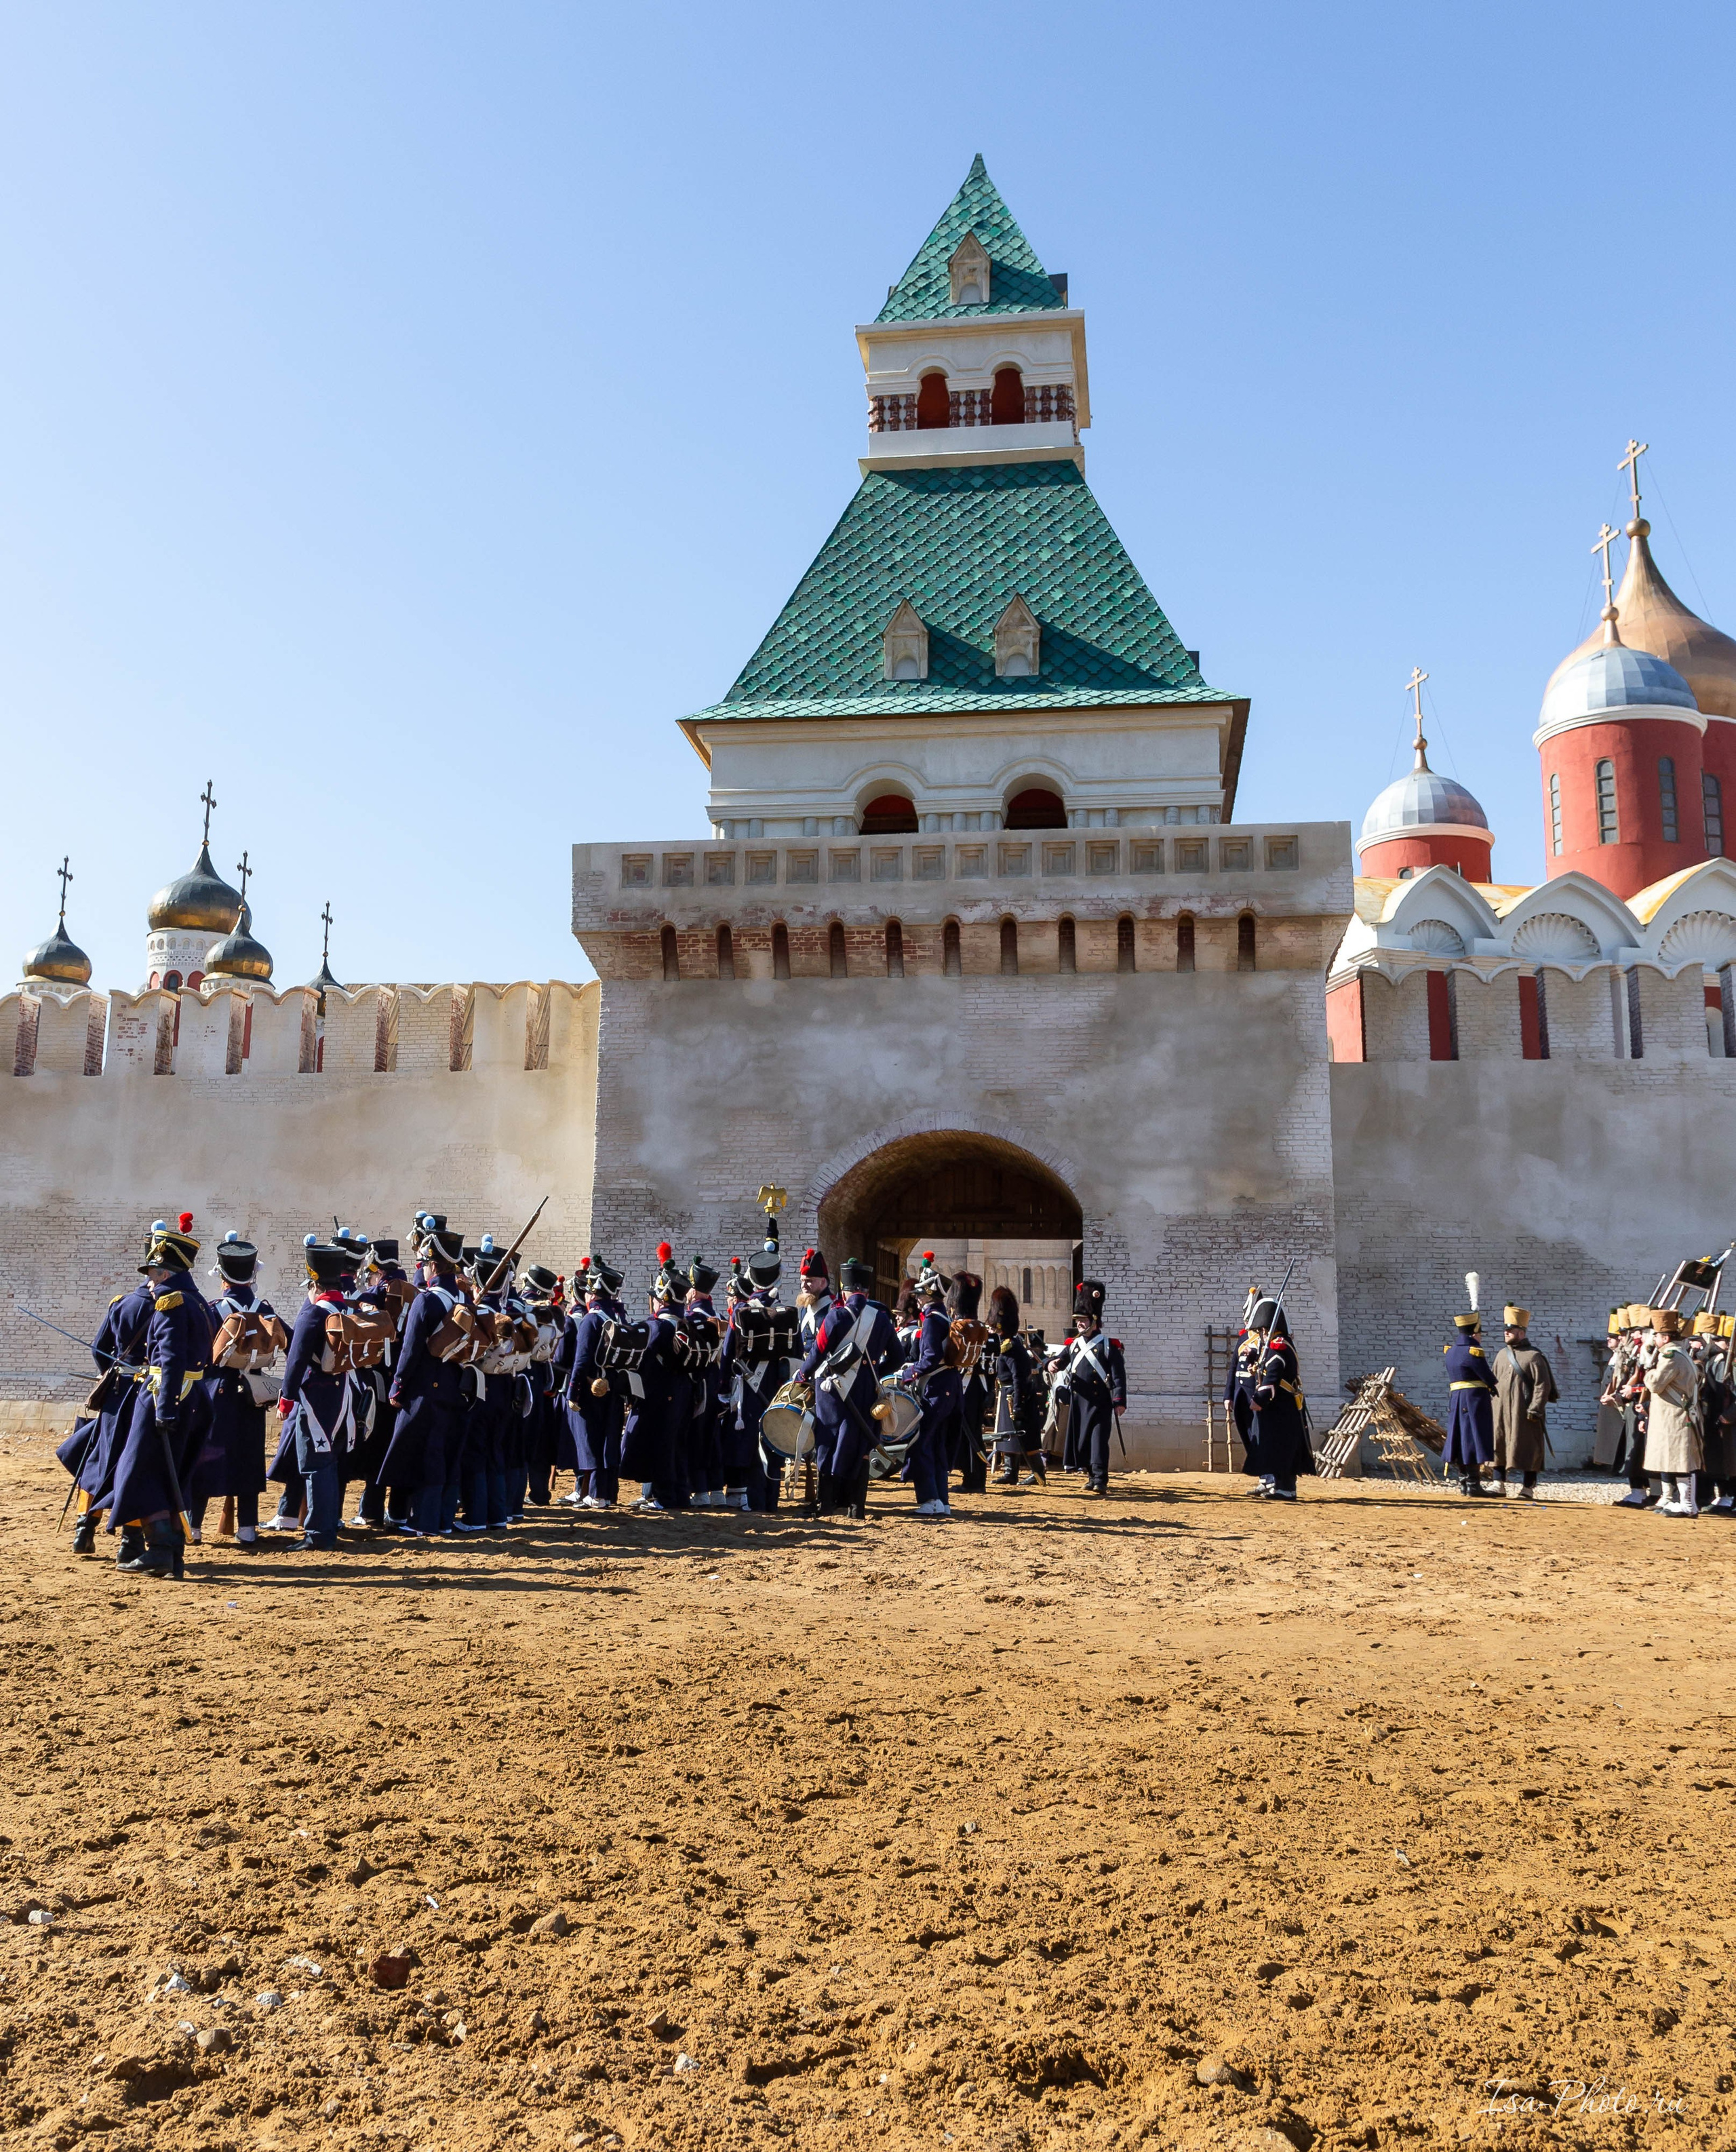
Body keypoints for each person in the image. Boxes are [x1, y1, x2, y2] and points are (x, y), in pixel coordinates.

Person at [106, 1214, 216, 1577]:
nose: (149, 1282)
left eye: (153, 1274)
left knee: (139, 1473)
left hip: (163, 1396)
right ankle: (174, 1555)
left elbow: (170, 1360)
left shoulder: (171, 1302)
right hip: (194, 1394)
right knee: (173, 1475)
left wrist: (165, 1407)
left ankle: (160, 1549)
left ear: (165, 1274)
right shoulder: (198, 1301)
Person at [62, 1241, 157, 1561]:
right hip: (146, 1398)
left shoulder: (123, 1303)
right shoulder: (169, 1306)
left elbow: (98, 1348)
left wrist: (113, 1375)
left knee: (98, 1459)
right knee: (133, 1467)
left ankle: (83, 1530)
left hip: (117, 1395)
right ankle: (130, 1541)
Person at [382, 1213, 470, 1538]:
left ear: (433, 1265)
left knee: (419, 1454)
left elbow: (410, 1349)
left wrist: (398, 1385)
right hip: (454, 1385)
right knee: (445, 1455)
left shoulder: (427, 1300)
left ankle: (420, 1521)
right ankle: (441, 1520)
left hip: (424, 1388)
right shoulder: (464, 1298)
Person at [193, 1232, 283, 1549]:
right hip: (254, 1392)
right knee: (248, 1459)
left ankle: (195, 1528)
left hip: (217, 1390)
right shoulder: (266, 1308)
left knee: (206, 1458)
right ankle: (247, 1529)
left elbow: (202, 1353)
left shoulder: (214, 1308)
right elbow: (290, 1341)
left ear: (222, 1273)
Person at [276, 1240, 361, 1552]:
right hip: (346, 1393)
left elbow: (296, 1360)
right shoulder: (350, 1308)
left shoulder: (314, 1312)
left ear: (314, 1283)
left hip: (316, 1397)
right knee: (330, 1462)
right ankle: (328, 1524)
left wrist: (286, 1399)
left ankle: (319, 1533)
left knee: (315, 1464)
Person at [799, 1253, 896, 1519]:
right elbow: (898, 1358)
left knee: (829, 1444)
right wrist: (875, 1373)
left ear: (844, 1288)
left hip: (832, 1392)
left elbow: (818, 1353)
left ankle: (828, 1504)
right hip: (866, 1392)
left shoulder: (835, 1317)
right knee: (860, 1447)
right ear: (866, 1289)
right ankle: (857, 1508)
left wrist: (801, 1375)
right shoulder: (881, 1318)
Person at [1049, 1282, 1126, 1496]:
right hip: (1079, 1402)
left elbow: (1119, 1376)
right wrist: (1051, 1364)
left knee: (1098, 1441)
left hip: (1100, 1402)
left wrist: (1119, 1400)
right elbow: (1060, 1361)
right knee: (1083, 1442)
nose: (1080, 1324)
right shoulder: (1074, 1345)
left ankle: (1101, 1479)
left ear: (1093, 1320)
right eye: (1078, 1321)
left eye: (1083, 1320)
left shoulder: (1108, 1345)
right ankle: (1091, 1477)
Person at [566, 1255, 627, 1508]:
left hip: (593, 1389)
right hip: (614, 1387)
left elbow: (581, 1361)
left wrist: (573, 1392)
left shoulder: (592, 1320)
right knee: (609, 1439)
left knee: (593, 1441)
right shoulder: (621, 1318)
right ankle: (609, 1494)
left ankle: (596, 1494)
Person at [905, 1259, 962, 1519]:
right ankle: (942, 1500)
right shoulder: (945, 1316)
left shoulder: (931, 1320)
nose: (916, 1299)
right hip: (950, 1386)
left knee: (921, 1444)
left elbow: (929, 1358)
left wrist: (909, 1372)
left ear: (928, 1295)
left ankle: (929, 1498)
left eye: (919, 1295)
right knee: (938, 1445)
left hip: (936, 1388)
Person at [1491, 1304, 1559, 1500]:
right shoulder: (1501, 1355)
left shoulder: (1535, 1356)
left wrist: (1536, 1408)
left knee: (1529, 1448)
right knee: (1499, 1444)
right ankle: (1498, 1484)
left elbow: (1542, 1386)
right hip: (1501, 1410)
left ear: (1521, 1332)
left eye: (1510, 1330)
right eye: (1506, 1329)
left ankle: (1528, 1488)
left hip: (1525, 1412)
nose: (1506, 1332)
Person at [1243, 1295, 1307, 1502]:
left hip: (1282, 1406)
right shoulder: (1272, 1346)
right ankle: (1277, 1485)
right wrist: (1253, 1357)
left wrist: (1260, 1398)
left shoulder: (1279, 1345)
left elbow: (1273, 1377)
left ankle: (1286, 1489)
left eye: (1262, 1330)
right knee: (1275, 1447)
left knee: (1283, 1447)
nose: (1261, 1334)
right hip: (1278, 1407)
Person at [1644, 1308, 1703, 1518]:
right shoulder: (1678, 1354)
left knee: (1682, 1462)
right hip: (1674, 1415)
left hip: (1675, 1416)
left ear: (1665, 1338)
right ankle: (1681, 1503)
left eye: (1657, 1335)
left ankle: (1688, 1506)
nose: (1655, 1339)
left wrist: (1648, 1372)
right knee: (1675, 1461)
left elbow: (1656, 1384)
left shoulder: (1670, 1357)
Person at [987, 1285, 1044, 1487]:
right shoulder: (1008, 1343)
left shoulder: (1010, 1345)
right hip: (1007, 1393)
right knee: (1008, 1436)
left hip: (1015, 1395)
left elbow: (1019, 1378)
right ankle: (1011, 1472)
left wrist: (1018, 1403)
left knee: (1024, 1437)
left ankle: (1038, 1473)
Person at [1443, 1303, 1497, 1498]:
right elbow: (1485, 1374)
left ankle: (1464, 1483)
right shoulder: (1474, 1350)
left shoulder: (1450, 1351)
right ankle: (1474, 1485)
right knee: (1474, 1440)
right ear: (1475, 1332)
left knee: (1459, 1441)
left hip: (1457, 1400)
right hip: (1474, 1401)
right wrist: (1493, 1384)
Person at [948, 1272, 989, 1498]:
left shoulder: (957, 1329)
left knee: (969, 1435)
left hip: (962, 1387)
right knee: (972, 1434)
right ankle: (972, 1478)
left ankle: (974, 1480)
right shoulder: (985, 1331)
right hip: (978, 1388)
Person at [1225, 1288, 1267, 1494]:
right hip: (1241, 1395)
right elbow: (1233, 1368)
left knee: (1261, 1436)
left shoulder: (1265, 1341)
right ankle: (1263, 1476)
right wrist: (1228, 1395)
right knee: (1248, 1435)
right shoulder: (1244, 1338)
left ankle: (1269, 1476)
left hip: (1256, 1394)